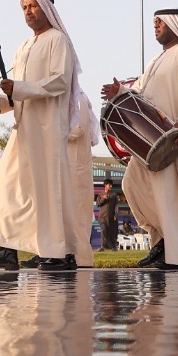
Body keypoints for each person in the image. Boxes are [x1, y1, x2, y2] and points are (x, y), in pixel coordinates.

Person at [0, 0, 78, 271]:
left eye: (33, 6)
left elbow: (59, 82)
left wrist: (18, 88)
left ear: (46, 9)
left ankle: (60, 253)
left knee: (47, 191)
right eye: (24, 7)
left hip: (46, 130)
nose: (28, 11)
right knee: (6, 188)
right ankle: (6, 250)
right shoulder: (23, 47)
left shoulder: (59, 41)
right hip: (24, 130)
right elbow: (16, 94)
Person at [103, 8, 178, 270]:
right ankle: (162, 241)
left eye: (160, 21)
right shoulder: (155, 60)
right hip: (150, 141)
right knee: (133, 185)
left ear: (175, 24)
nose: (156, 25)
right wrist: (121, 92)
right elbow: (141, 93)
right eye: (154, 22)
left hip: (177, 136)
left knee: (174, 195)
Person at [65, 90, 99, 267]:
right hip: (71, 166)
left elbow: (78, 127)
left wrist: (52, 132)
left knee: (77, 215)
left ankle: (81, 259)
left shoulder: (78, 98)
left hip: (76, 166)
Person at [97, 182, 121, 251]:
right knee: (104, 229)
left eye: (111, 185)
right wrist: (103, 199)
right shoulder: (101, 194)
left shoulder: (114, 194)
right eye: (109, 185)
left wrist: (116, 214)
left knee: (112, 232)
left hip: (111, 217)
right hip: (103, 217)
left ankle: (113, 246)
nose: (110, 186)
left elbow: (116, 206)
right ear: (105, 185)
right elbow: (98, 204)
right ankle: (103, 246)